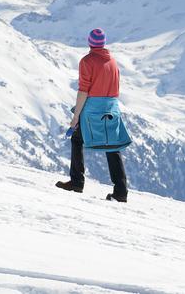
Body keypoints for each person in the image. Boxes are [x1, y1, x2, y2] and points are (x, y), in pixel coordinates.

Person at [55, 28, 130, 202]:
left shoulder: (87, 61)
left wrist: (75, 118)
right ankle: (121, 192)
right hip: (111, 108)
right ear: (103, 43)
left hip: (92, 109)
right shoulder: (113, 61)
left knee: (77, 138)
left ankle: (76, 181)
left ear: (90, 42)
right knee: (113, 147)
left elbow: (83, 90)